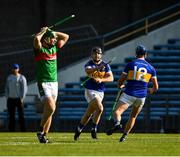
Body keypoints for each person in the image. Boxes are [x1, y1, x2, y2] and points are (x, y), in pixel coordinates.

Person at [106, 45, 159, 142]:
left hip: (129, 94)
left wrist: (120, 86)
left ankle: (117, 124)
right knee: (133, 116)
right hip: (141, 97)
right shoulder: (151, 68)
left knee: (117, 112)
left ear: (136, 54)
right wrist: (149, 90)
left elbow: (121, 81)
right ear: (145, 54)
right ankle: (124, 136)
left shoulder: (130, 64)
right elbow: (155, 87)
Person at [33, 27, 69, 143]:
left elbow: (66, 36)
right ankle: (40, 130)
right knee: (52, 107)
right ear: (46, 39)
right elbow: (36, 39)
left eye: (55, 38)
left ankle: (44, 135)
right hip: (43, 82)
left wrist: (53, 32)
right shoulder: (39, 49)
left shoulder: (54, 48)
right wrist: (43, 31)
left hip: (54, 83)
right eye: (52, 38)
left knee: (50, 110)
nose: (55, 40)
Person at [74, 46, 114, 140]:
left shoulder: (105, 65)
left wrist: (101, 79)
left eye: (98, 53)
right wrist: (98, 68)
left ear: (101, 55)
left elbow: (111, 78)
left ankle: (79, 129)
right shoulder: (89, 64)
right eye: (95, 53)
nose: (97, 55)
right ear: (92, 55)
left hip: (100, 92)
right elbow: (88, 71)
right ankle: (94, 129)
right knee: (100, 108)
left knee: (88, 114)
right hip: (90, 90)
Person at [5, 63, 27, 132]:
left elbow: (24, 88)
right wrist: (7, 97)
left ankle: (23, 130)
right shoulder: (9, 77)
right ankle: (11, 130)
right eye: (14, 68)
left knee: (21, 116)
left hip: (19, 99)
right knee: (11, 116)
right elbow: (6, 88)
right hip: (11, 99)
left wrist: (22, 98)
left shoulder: (21, 78)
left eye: (16, 68)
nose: (15, 70)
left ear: (18, 69)